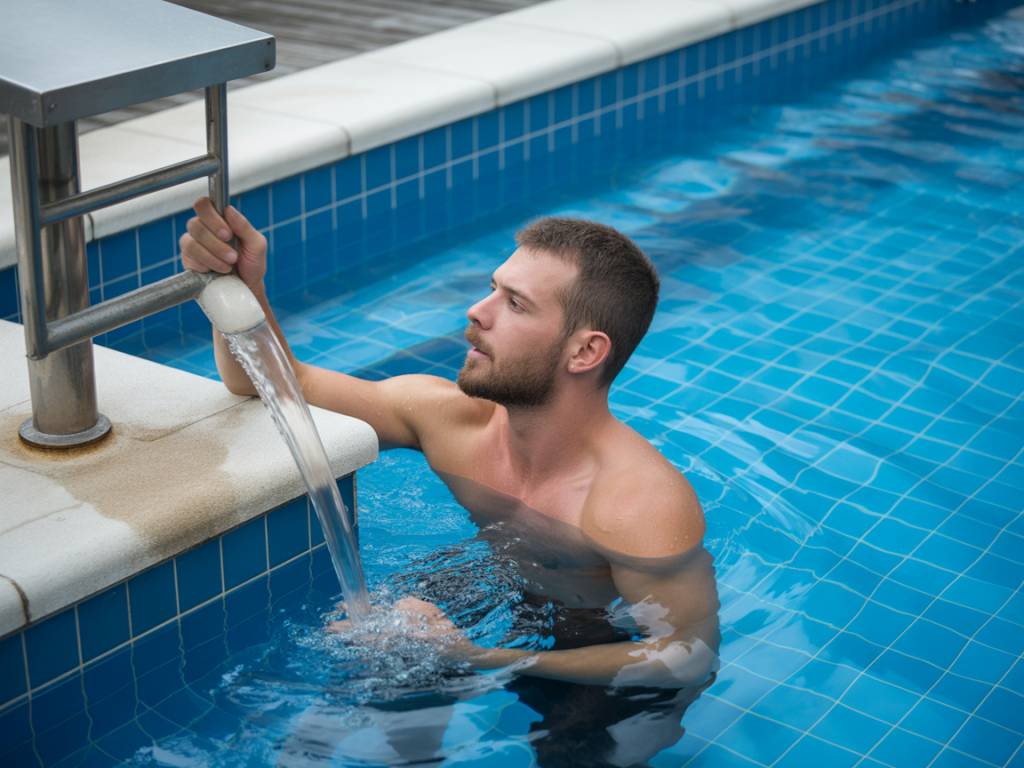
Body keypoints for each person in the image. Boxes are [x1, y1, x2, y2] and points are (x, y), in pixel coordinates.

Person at [181, 197, 720, 765]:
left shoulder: (638, 503)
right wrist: (243, 291)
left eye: (514, 304)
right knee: (395, 639)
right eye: (493, 288)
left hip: (600, 642)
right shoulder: (448, 417)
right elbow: (267, 384)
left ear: (585, 351)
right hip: (501, 582)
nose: (477, 311)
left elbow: (685, 654)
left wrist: (478, 656)